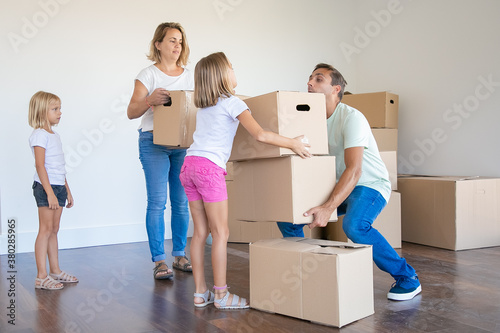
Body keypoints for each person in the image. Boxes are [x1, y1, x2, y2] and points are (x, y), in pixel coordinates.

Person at [277, 63, 421, 301]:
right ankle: (300, 275)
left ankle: (408, 277)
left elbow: (354, 170)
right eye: (310, 79)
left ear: (336, 89)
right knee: (288, 216)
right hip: (338, 184)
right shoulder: (310, 120)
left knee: (355, 226)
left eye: (318, 79)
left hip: (369, 184)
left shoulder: (352, 118)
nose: (309, 83)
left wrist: (328, 207)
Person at [180, 52, 311, 309]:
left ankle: (199, 293)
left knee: (200, 233)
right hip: (209, 170)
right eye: (231, 67)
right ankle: (221, 295)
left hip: (189, 166)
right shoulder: (233, 102)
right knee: (221, 233)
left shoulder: (206, 106)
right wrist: (293, 143)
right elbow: (260, 135)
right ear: (222, 75)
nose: (234, 70)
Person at [127, 22, 193, 280]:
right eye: (171, 40)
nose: (177, 46)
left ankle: (179, 254)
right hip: (153, 142)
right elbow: (131, 112)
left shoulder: (190, 75)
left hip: (182, 144)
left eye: (180, 41)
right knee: (157, 203)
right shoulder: (148, 75)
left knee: (181, 202)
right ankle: (159, 261)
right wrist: (149, 101)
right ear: (158, 44)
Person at [28, 91, 78, 290]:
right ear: (42, 111)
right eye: (55, 109)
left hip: (58, 187)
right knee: (45, 230)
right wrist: (49, 192)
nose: (60, 113)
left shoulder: (54, 135)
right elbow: (40, 166)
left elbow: (58, 167)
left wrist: (67, 190)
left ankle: (55, 270)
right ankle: (41, 276)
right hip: (45, 187)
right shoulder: (39, 135)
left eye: (59, 108)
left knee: (54, 230)